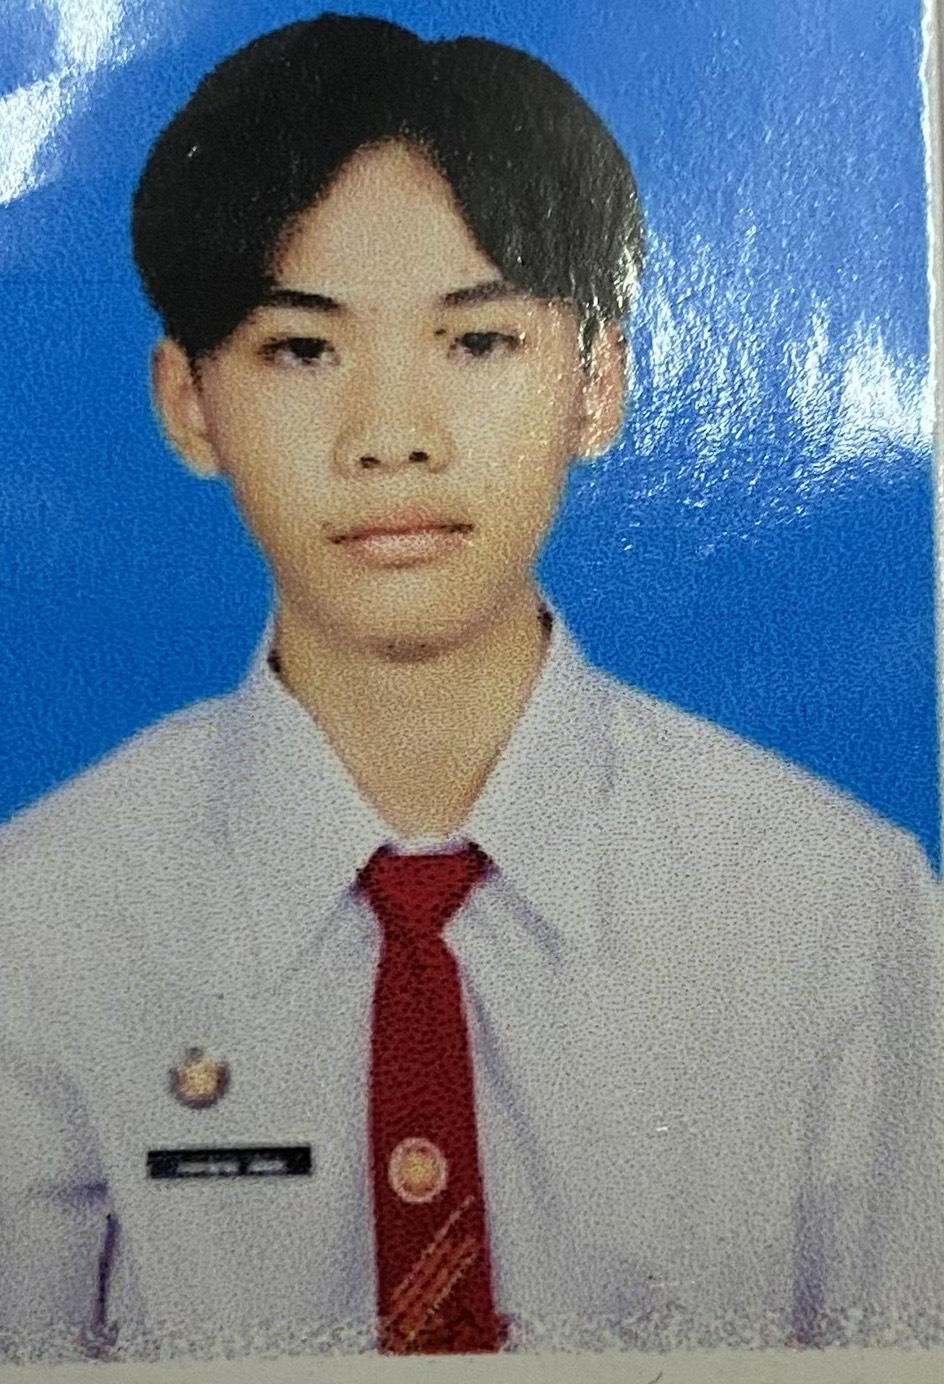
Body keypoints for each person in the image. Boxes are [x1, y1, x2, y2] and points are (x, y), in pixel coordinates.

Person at [0, 10, 941, 1364]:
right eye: (303, 349)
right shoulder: (45, 924)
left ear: (597, 380)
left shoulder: (839, 915)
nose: (393, 438)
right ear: (188, 402)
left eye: (479, 340)